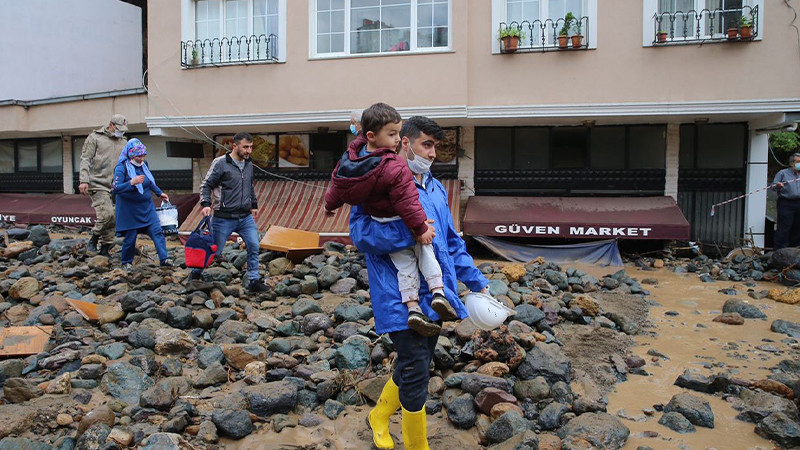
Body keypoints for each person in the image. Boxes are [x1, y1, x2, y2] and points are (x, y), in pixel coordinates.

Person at [350, 116, 490, 450]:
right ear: (403, 143)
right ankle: (417, 446)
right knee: (416, 369)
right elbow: (360, 234)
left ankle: (379, 416)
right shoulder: (375, 182)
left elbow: (452, 242)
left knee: (417, 363)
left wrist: (477, 282)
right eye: (427, 145)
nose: (432, 154)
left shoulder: (436, 187)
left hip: (437, 295)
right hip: (398, 294)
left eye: (436, 147)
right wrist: (412, 229)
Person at [325, 103, 458, 337]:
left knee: (407, 266)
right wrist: (416, 229)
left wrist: (329, 206)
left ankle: (415, 307)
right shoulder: (394, 167)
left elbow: (337, 187)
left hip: (419, 308)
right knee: (425, 249)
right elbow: (405, 206)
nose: (397, 139)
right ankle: (438, 292)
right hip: (393, 303)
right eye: (393, 134)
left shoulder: (352, 164)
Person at [190, 132, 270, 293]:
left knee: (254, 245)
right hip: (223, 217)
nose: (248, 151)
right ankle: (194, 275)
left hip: (245, 216)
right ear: (235, 146)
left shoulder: (248, 164)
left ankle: (253, 281)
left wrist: (253, 204)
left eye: (251, 147)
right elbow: (206, 185)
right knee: (214, 251)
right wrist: (205, 203)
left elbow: (249, 186)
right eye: (245, 147)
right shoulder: (220, 163)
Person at [111, 139, 173, 270]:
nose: (142, 158)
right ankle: (126, 262)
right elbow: (115, 188)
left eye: (144, 155)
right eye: (139, 156)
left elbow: (149, 182)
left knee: (157, 232)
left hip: (146, 207)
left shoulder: (144, 165)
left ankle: (164, 259)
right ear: (131, 155)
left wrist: (159, 193)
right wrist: (131, 183)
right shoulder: (121, 167)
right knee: (130, 237)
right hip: (129, 210)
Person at [79, 114, 129, 256]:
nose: (121, 131)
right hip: (98, 183)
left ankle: (105, 248)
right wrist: (84, 180)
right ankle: (94, 238)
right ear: (111, 125)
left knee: (114, 217)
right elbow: (85, 159)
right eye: (119, 128)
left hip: (116, 185)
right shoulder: (94, 138)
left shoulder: (124, 142)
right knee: (106, 213)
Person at [773, 152, 800, 250]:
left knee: (797, 227)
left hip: (799, 202)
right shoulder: (783, 173)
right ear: (792, 163)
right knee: (784, 227)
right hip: (786, 202)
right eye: (798, 162)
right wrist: (778, 185)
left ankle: (795, 249)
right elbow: (773, 187)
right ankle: (780, 250)